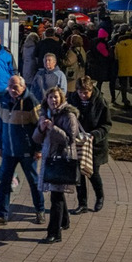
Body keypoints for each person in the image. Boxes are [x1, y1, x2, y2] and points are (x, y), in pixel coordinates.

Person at [0, 75, 43, 228]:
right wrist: (0, 145)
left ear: (23, 87)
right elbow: (1, 124)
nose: (12, 90)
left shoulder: (31, 102)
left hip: (27, 152)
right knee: (4, 183)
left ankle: (40, 211)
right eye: (10, 86)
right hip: (9, 151)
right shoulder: (4, 100)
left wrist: (38, 149)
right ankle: (2, 215)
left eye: (16, 87)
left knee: (34, 182)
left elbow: (40, 127)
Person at [34, 86, 81, 244]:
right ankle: (64, 221)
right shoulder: (45, 114)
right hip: (49, 158)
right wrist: (41, 127)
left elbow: (70, 139)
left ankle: (54, 233)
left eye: (56, 97)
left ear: (61, 98)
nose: (53, 100)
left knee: (56, 197)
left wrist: (52, 127)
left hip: (62, 158)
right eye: (50, 97)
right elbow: (37, 138)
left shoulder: (69, 115)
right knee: (57, 193)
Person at [69, 76, 111, 214]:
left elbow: (106, 124)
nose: (83, 95)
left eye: (86, 92)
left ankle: (100, 197)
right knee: (78, 174)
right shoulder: (72, 100)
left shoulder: (100, 102)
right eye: (80, 92)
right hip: (79, 143)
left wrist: (95, 135)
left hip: (95, 145)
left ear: (91, 90)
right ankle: (82, 204)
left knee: (93, 173)